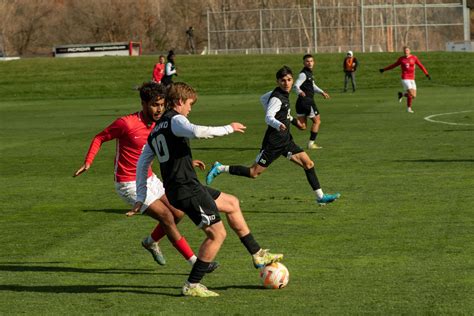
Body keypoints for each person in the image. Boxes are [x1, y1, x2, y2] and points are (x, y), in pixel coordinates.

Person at [133, 82, 283, 297]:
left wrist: (140, 195)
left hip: (184, 187)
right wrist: (228, 128)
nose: (190, 109)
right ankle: (192, 284)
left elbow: (142, 163)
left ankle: (257, 254)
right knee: (216, 234)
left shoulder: (156, 129)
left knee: (232, 203)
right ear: (178, 102)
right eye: (189, 104)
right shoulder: (176, 120)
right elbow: (197, 131)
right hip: (186, 190)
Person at [73, 82, 217, 272]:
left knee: (178, 212)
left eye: (162, 104)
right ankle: (195, 263)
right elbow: (100, 137)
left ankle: (150, 242)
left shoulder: (162, 123)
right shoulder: (126, 123)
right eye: (154, 105)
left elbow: (163, 151)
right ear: (143, 103)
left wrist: (186, 163)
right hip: (128, 183)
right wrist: (88, 161)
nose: (159, 109)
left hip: (150, 178)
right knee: (166, 217)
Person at [206, 66, 340, 206]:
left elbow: (263, 99)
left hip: (286, 140)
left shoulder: (277, 94)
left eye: (289, 80)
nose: (286, 83)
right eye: (283, 80)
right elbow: (268, 117)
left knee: (308, 163)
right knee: (253, 173)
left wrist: (290, 120)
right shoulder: (277, 98)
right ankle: (220, 168)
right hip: (273, 143)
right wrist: (278, 123)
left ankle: (320, 197)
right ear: (278, 81)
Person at [293, 54, 330, 150]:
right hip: (307, 102)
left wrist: (322, 92)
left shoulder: (309, 74)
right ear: (304, 63)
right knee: (317, 121)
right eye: (307, 61)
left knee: (302, 127)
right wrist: (300, 91)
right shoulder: (303, 74)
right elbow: (295, 86)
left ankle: (289, 119)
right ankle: (311, 144)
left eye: (311, 61)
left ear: (314, 62)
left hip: (300, 102)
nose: (309, 63)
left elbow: (312, 86)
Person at [379, 46, 431, 113]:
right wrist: (384, 69)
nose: (405, 51)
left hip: (412, 78)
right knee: (411, 93)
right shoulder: (401, 59)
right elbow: (393, 65)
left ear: (409, 51)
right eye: (404, 50)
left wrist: (427, 74)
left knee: (414, 96)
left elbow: (421, 66)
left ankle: (402, 94)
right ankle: (409, 108)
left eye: (407, 50)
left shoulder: (414, 58)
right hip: (405, 78)